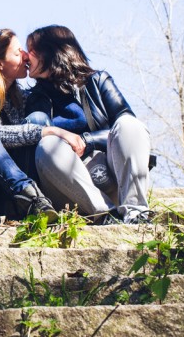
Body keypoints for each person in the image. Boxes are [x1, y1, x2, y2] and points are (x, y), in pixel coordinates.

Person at [0, 29, 85, 223]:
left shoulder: (21, 98)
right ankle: (28, 194)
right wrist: (50, 131)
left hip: (9, 196)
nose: (25, 56)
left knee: (38, 118)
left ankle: (34, 201)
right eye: (17, 52)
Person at [25, 25, 153, 225]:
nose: (25, 56)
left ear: (51, 52)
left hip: (110, 171)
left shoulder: (98, 81)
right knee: (47, 144)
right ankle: (106, 216)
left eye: (31, 50)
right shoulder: (32, 100)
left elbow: (125, 125)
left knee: (129, 124)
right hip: (69, 188)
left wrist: (86, 141)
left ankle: (136, 213)